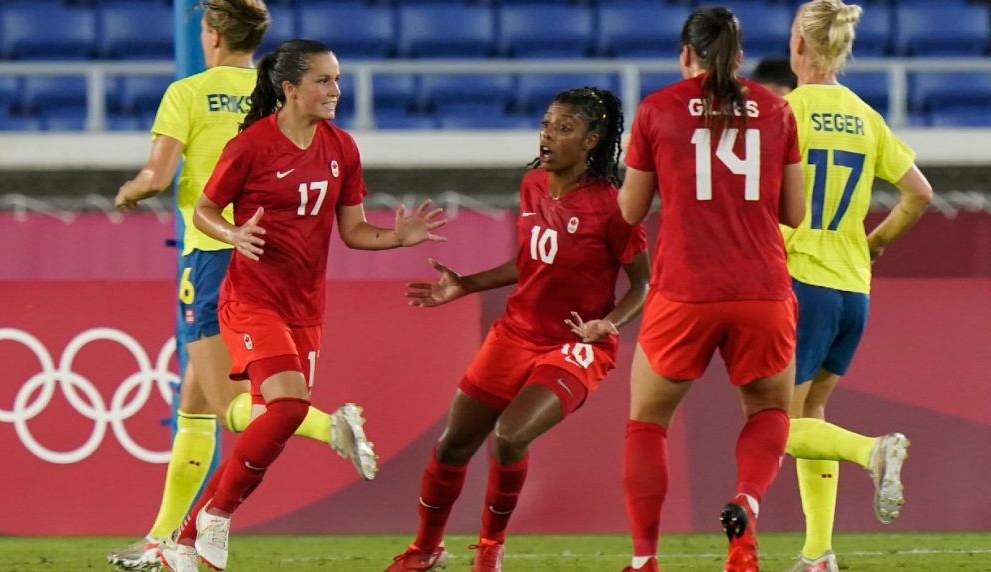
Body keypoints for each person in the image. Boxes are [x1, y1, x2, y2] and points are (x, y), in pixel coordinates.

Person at [155, 38, 446, 572]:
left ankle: (186, 536)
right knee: (287, 406)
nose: (336, 90)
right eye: (324, 80)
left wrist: (398, 237)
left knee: (274, 424)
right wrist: (233, 235)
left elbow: (355, 231)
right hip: (251, 299)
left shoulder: (342, 148)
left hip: (306, 308)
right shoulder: (251, 146)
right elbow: (204, 211)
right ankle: (215, 518)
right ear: (289, 89)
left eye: (337, 79)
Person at [106, 4, 377, 569]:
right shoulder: (266, 95)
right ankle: (166, 537)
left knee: (231, 401)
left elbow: (158, 178)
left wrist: (128, 192)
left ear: (209, 34)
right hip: (272, 258)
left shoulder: (189, 91)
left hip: (215, 254)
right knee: (196, 404)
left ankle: (328, 427)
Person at [385, 86, 650, 572]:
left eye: (564, 127)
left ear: (592, 140)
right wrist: (465, 284)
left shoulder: (613, 207)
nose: (548, 135)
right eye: (547, 124)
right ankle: (425, 549)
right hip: (515, 332)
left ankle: (490, 549)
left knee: (508, 436)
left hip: (575, 344)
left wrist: (606, 325)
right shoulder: (532, 185)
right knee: (452, 445)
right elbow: (530, 263)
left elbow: (643, 283)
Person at [617, 6, 806, 572]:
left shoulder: (657, 110)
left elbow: (629, 211)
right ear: (741, 57)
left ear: (685, 55)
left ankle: (646, 560)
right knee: (769, 411)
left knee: (648, 422)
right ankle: (746, 506)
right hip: (762, 288)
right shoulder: (777, 109)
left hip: (685, 289)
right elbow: (794, 211)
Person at [781, 2, 933, 570]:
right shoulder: (865, 115)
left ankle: (874, 450)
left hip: (802, 280)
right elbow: (919, 193)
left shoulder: (786, 111)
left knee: (774, 427)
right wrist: (873, 242)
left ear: (799, 42)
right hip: (853, 289)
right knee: (811, 415)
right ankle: (818, 554)